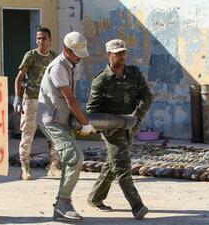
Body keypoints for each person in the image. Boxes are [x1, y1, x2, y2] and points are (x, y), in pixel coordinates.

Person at [86, 39, 153, 220]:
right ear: (109, 55)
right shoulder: (101, 80)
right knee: (123, 166)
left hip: (131, 127)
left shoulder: (134, 74)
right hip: (112, 131)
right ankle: (137, 206)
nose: (122, 56)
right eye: (118, 53)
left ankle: (95, 197)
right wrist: (104, 127)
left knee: (112, 163)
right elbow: (92, 111)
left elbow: (146, 95)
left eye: (124, 52)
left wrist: (136, 116)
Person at [37, 31, 95, 221]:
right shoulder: (58, 67)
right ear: (66, 50)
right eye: (76, 54)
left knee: (70, 159)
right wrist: (85, 124)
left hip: (63, 119)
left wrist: (73, 119)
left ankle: (62, 205)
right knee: (75, 157)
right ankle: (62, 203)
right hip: (51, 121)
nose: (79, 57)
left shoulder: (73, 64)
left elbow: (71, 97)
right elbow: (71, 99)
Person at [13, 27, 59, 180]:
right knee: (28, 133)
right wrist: (18, 98)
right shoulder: (31, 56)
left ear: (50, 40)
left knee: (53, 133)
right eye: (38, 38)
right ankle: (25, 167)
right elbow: (19, 78)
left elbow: (58, 78)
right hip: (31, 99)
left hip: (48, 101)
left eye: (44, 38)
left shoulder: (53, 57)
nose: (41, 41)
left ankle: (53, 166)